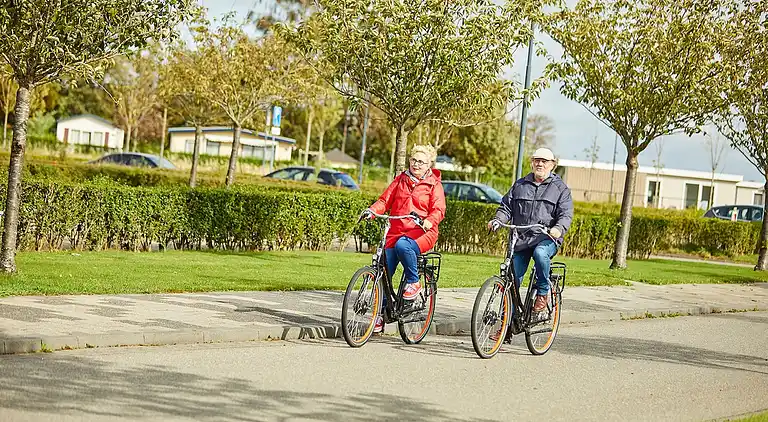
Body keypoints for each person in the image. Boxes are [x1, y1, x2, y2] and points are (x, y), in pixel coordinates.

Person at [363, 144, 446, 332]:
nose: (416, 164)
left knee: (403, 246)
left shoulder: (434, 184)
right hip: (396, 231)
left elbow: (439, 209)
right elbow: (385, 201)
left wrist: (429, 221)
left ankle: (414, 282)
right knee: (383, 271)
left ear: (429, 165)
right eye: (413, 160)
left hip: (422, 232)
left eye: (421, 162)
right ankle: (379, 315)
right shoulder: (401, 179)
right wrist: (372, 211)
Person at [488, 147, 574, 314]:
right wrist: (498, 220)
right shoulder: (520, 184)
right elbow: (506, 207)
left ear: (552, 165)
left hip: (546, 238)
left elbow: (566, 214)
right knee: (511, 282)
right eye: (536, 160)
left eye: (544, 161)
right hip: (521, 240)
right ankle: (506, 328)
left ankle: (543, 290)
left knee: (540, 254)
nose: (539, 164)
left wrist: (558, 228)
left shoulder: (560, 189)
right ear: (532, 162)